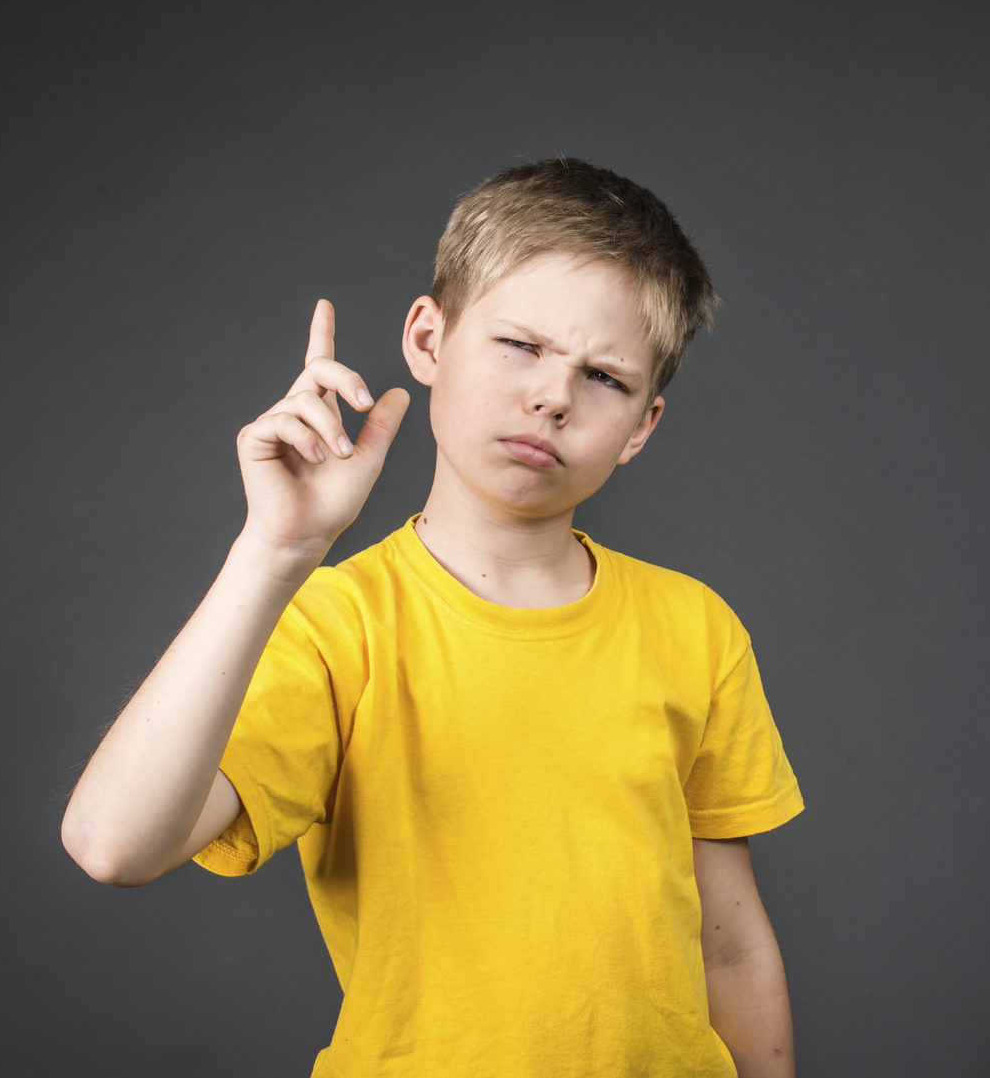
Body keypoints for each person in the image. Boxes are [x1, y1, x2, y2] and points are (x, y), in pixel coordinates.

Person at [61, 158, 803, 1077]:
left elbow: (729, 945)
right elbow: (112, 842)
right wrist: (273, 554)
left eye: (604, 377)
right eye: (520, 345)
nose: (554, 396)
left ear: (642, 426)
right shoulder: (338, 626)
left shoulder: (695, 626)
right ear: (428, 337)